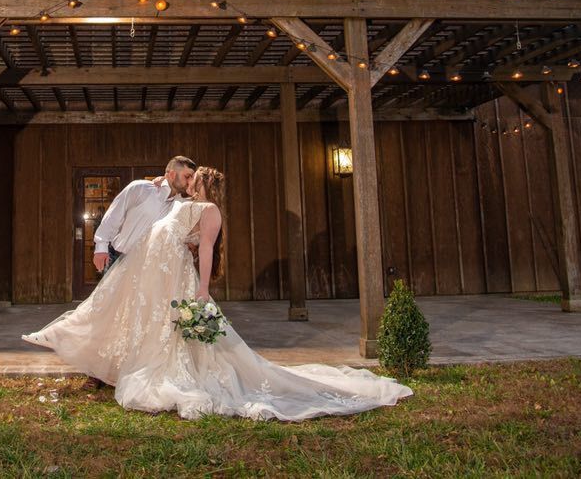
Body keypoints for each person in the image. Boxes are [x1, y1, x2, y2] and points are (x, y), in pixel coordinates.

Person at [23, 166, 413, 421]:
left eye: (197, 178)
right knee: (125, 314)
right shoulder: (183, 201)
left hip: (173, 275)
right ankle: (82, 349)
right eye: (188, 177)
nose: (190, 181)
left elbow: (205, 249)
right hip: (149, 272)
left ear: (207, 184)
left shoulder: (209, 210)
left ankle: (168, 373)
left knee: (173, 330)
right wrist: (160, 182)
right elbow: (166, 211)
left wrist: (204, 290)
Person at [92, 155, 196, 273]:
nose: (190, 181)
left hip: (151, 268)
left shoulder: (181, 204)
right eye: (187, 176)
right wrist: (101, 247)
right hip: (119, 259)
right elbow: (113, 216)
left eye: (192, 178)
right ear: (172, 174)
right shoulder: (140, 188)